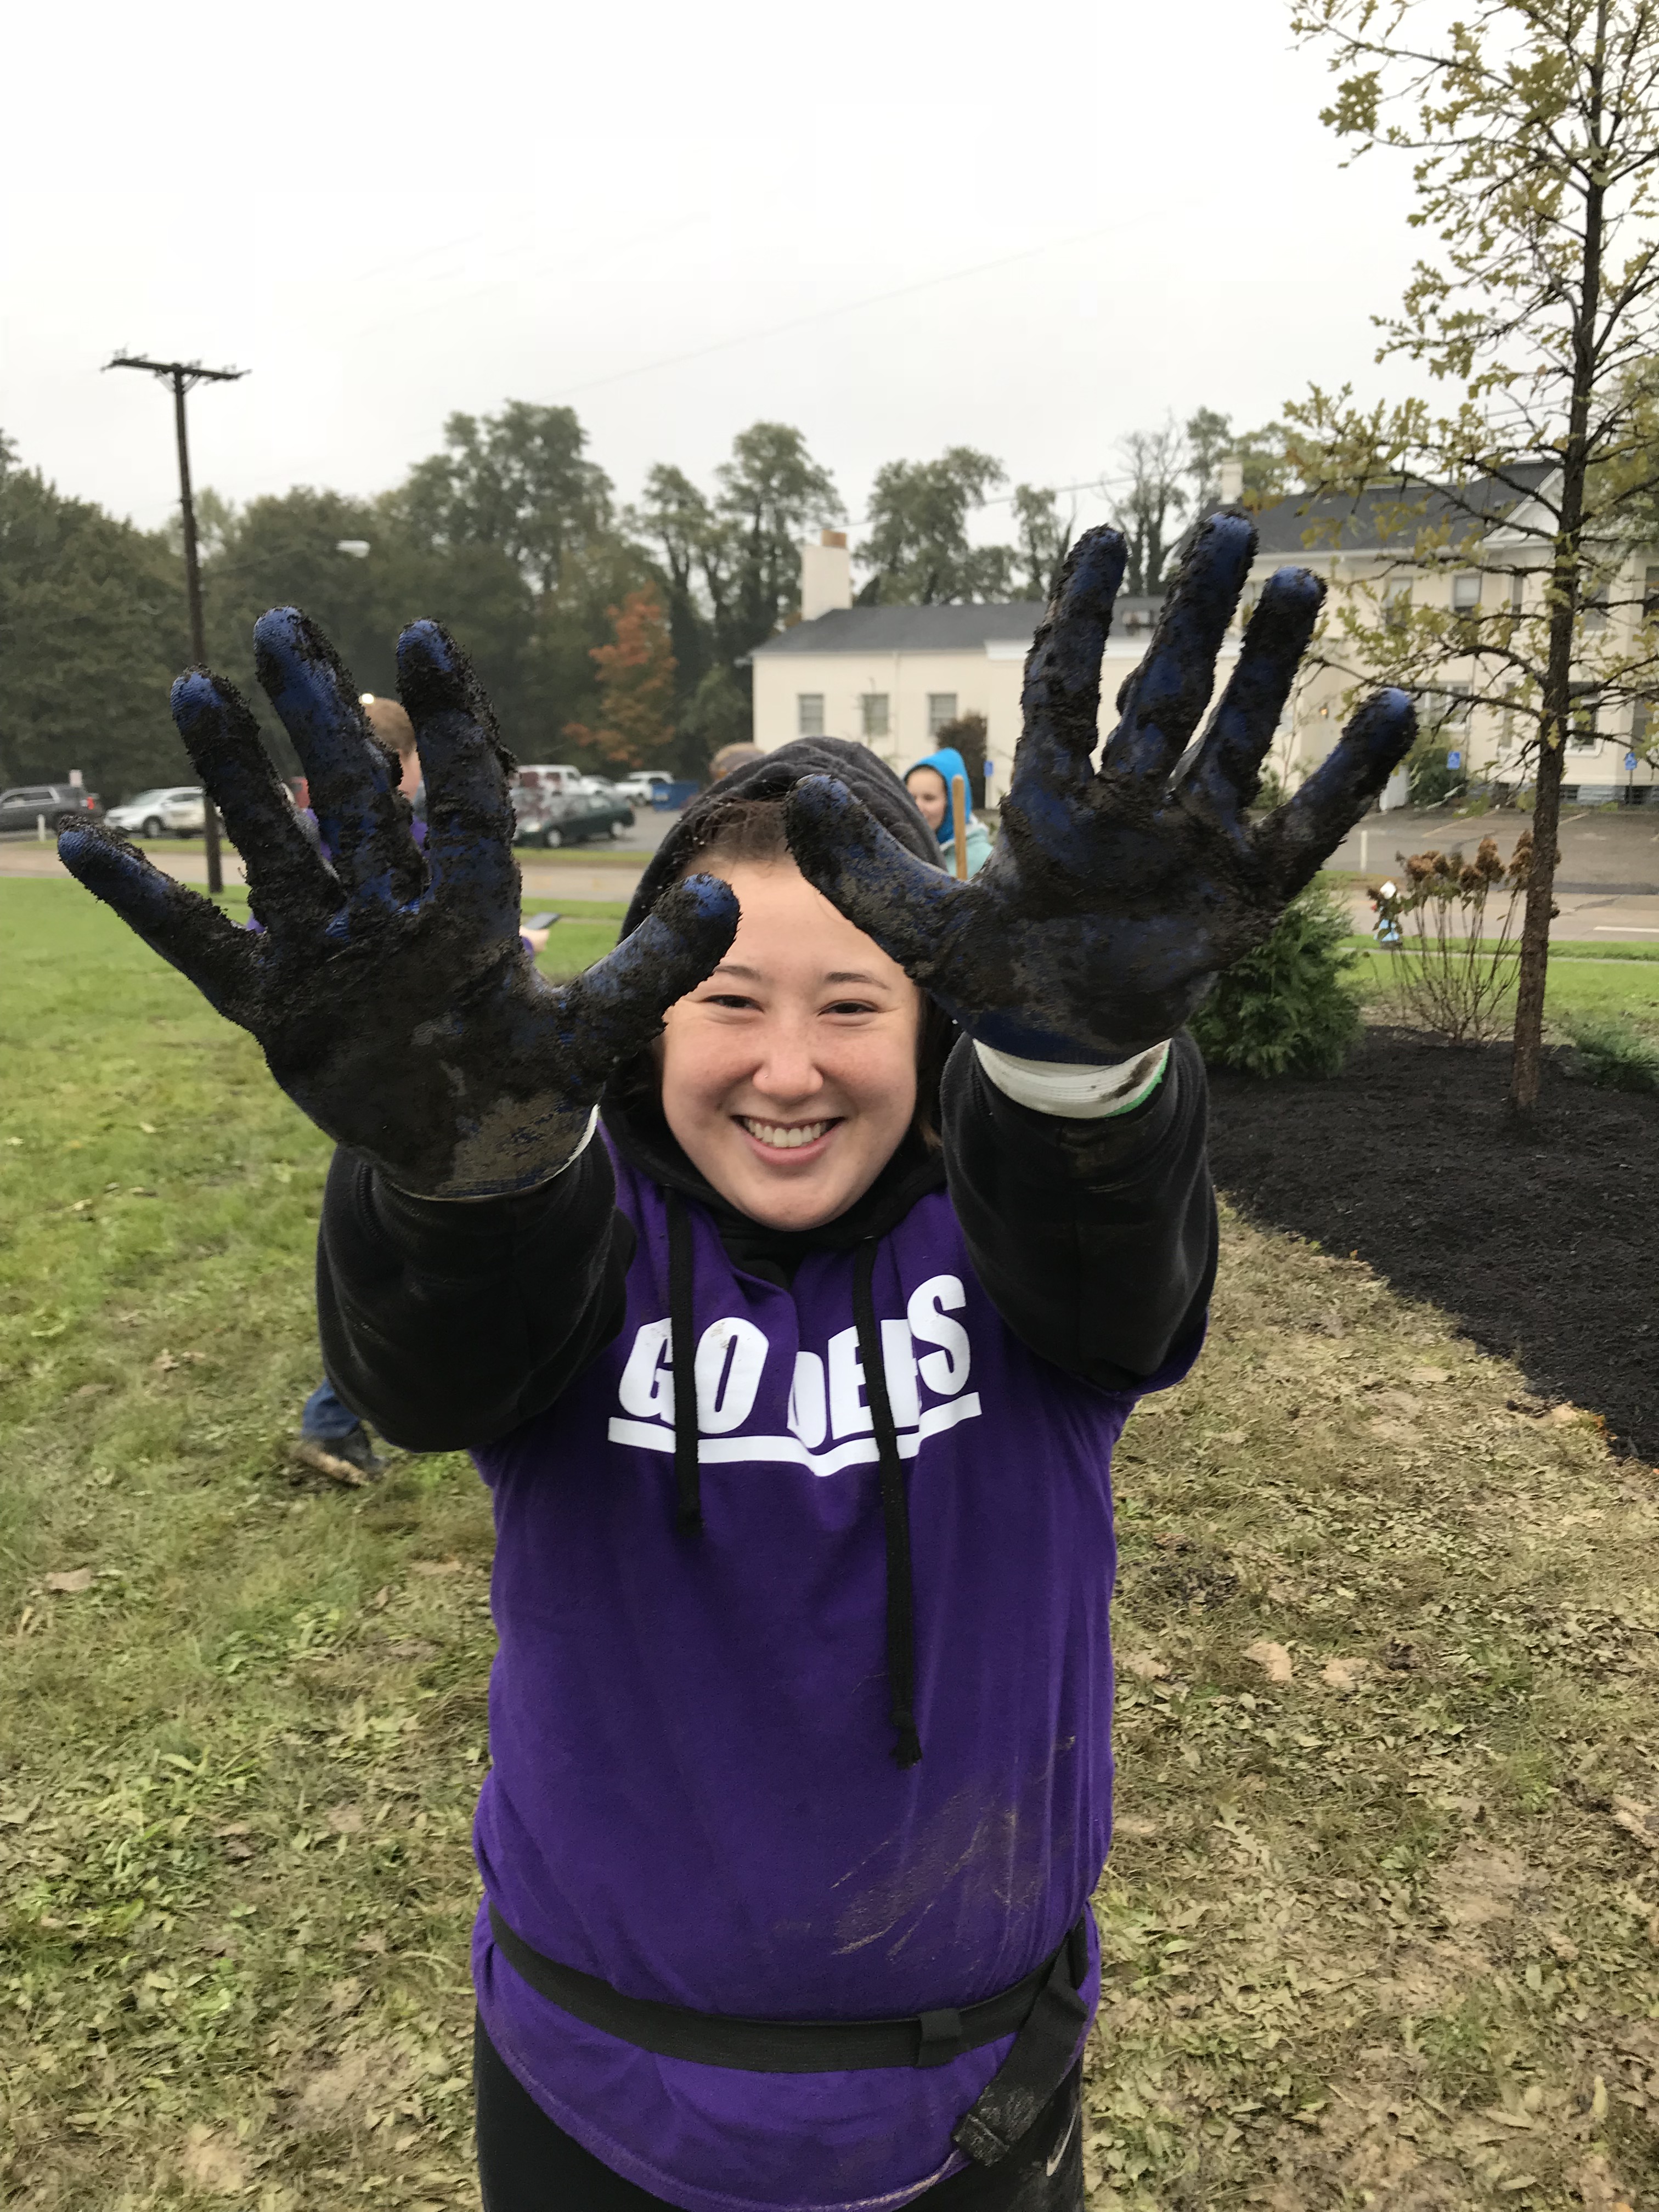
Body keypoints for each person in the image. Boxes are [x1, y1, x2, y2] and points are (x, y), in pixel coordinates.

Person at [57, 519, 1412, 2212]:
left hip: (973, 2106)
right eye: (723, 998)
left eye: (852, 1003)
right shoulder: (576, 1220)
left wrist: (1079, 1065)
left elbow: (1113, 1247)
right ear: (638, 1010)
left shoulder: (1021, 1237)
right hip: (596, 2099)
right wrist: (460, 1166)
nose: (786, 1068)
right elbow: (432, 1369)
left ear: (937, 1012)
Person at [905, 746, 993, 878]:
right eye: (911, 798)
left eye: (929, 798)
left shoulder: (985, 862)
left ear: (951, 803)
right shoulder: (903, 855)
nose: (917, 807)